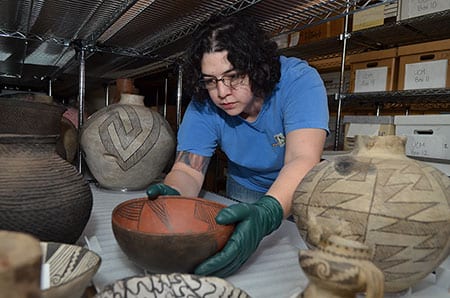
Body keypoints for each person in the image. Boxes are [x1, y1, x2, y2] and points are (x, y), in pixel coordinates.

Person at [146, 15, 329, 277]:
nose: (221, 92)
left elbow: (303, 159)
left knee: (295, 270)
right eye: (210, 80)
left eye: (233, 76)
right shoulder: (204, 104)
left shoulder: (298, 81)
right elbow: (188, 170)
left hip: (298, 191)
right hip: (243, 190)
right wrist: (174, 194)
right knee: (251, 273)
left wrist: (267, 213)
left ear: (256, 66)